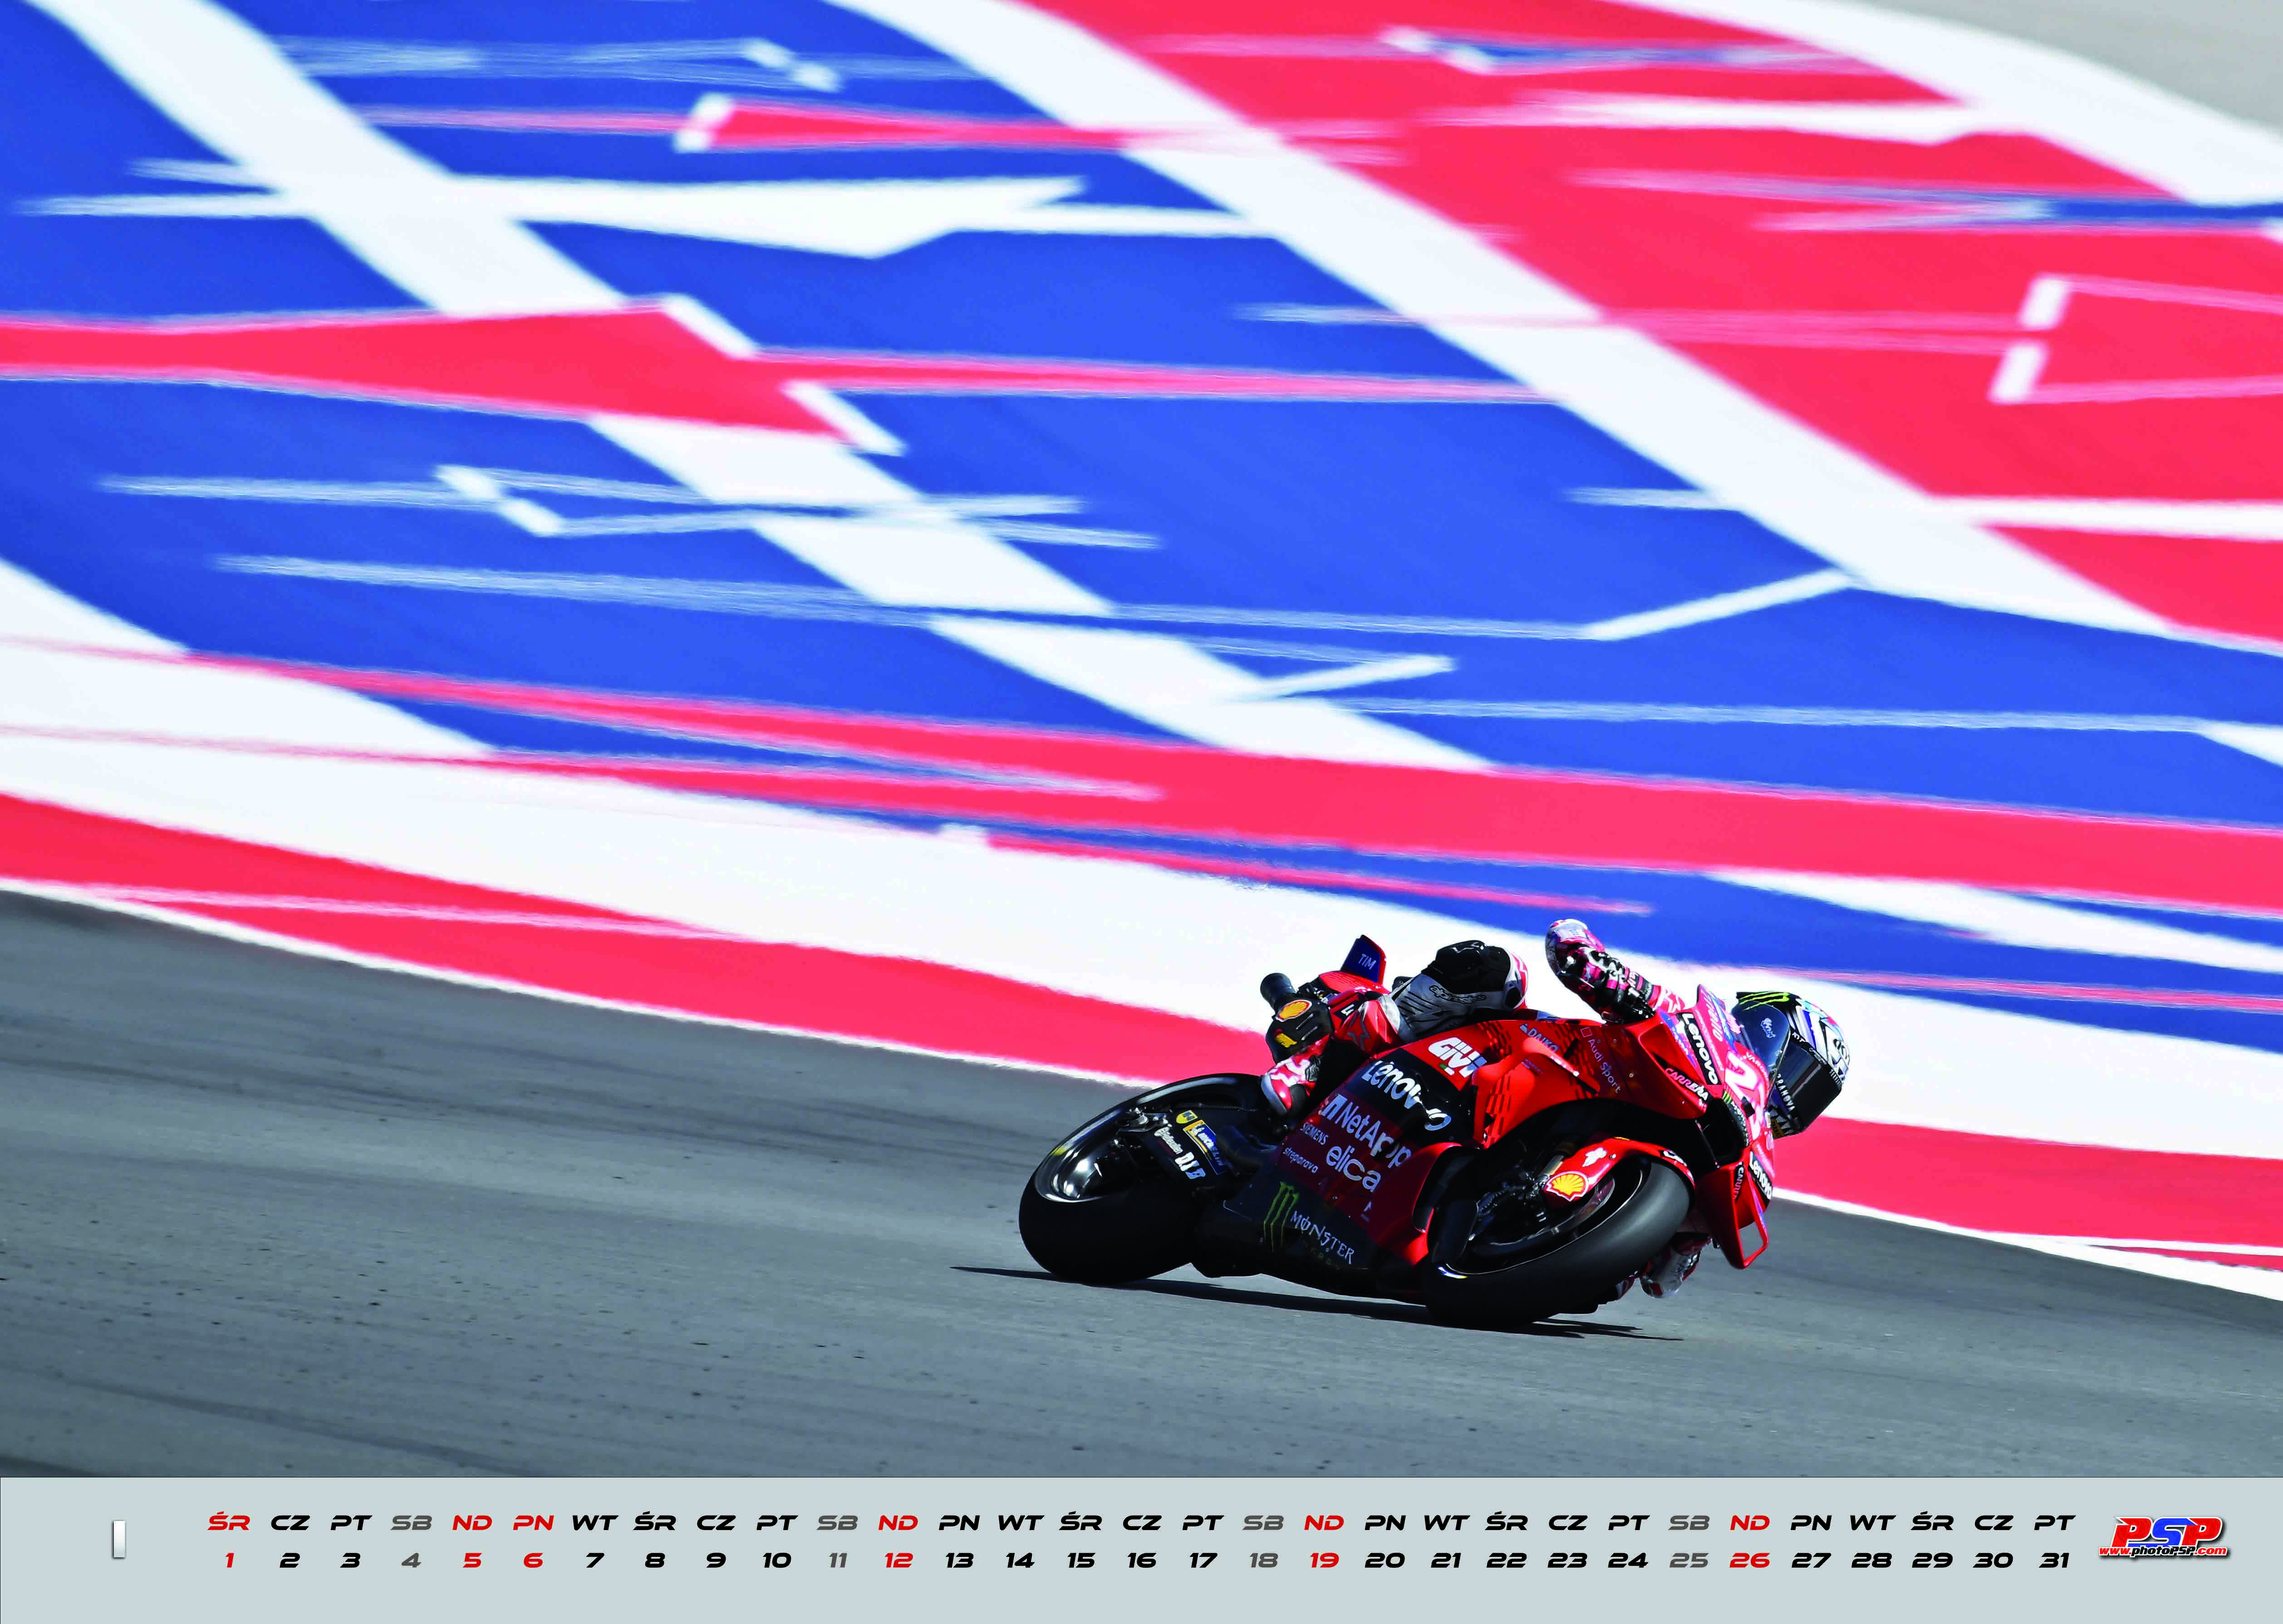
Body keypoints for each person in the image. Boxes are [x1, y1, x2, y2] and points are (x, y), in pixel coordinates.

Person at [1260, 920, 1849, 1301]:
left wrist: (1681, 1241)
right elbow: (1573, 948)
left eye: (1812, 1091)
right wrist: (1588, 959)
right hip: (1508, 1059)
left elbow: (1663, 1281)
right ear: (1765, 1029)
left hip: (1505, 1243)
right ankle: (1316, 1062)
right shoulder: (1689, 1023)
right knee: (1491, 969)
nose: (1794, 1091)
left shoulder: (1750, 1155)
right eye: (1798, 1067)